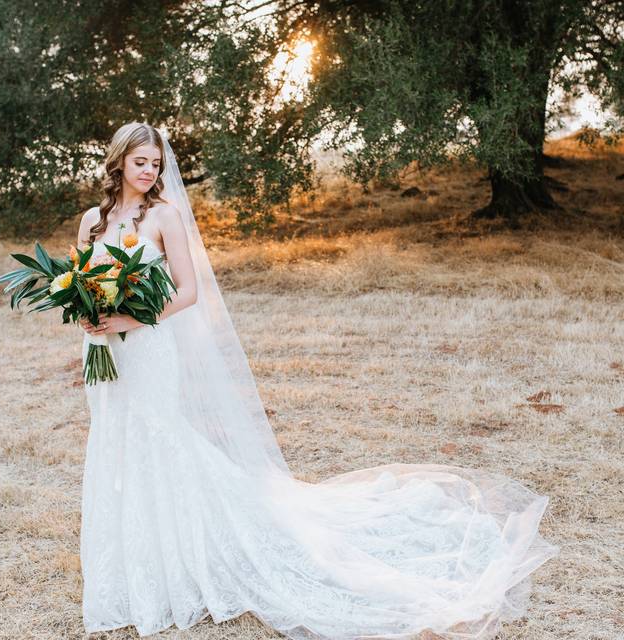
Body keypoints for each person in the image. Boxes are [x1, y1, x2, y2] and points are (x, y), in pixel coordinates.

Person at [75, 122, 559, 639]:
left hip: (148, 349)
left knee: (160, 438)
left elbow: (189, 291)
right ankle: (128, 565)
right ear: (119, 161)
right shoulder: (91, 221)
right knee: (116, 441)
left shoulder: (166, 218)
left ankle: (182, 561)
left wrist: (132, 320)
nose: (149, 171)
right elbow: (79, 280)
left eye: (155, 163)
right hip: (105, 353)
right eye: (140, 162)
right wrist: (88, 315)